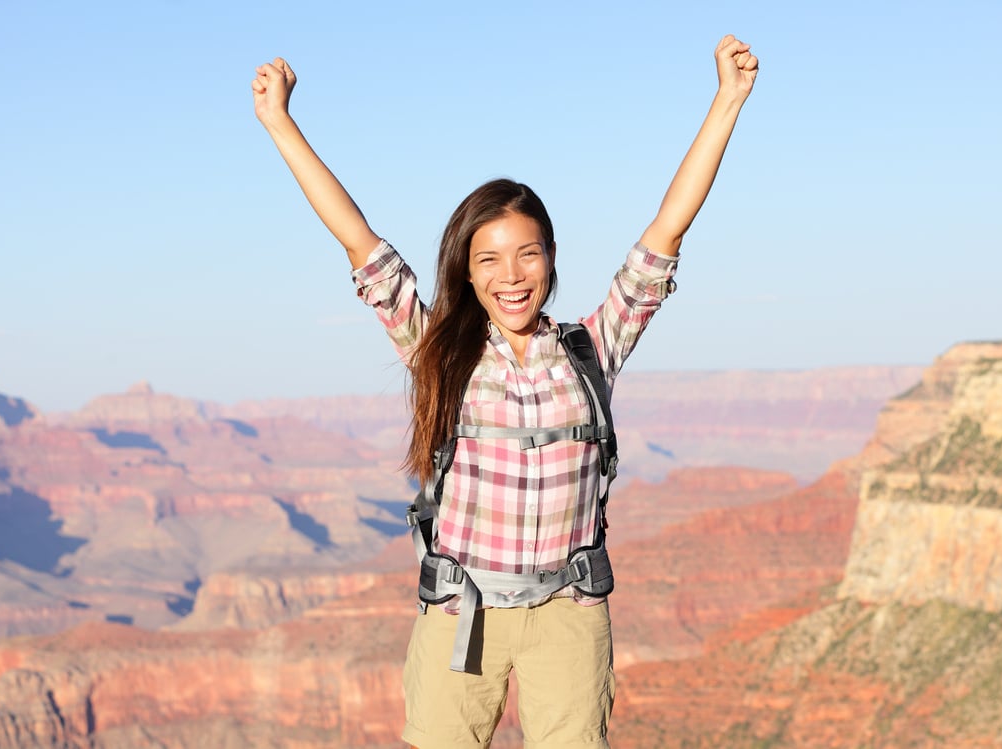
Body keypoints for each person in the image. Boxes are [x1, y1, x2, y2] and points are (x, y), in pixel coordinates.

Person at [252, 34, 757, 749]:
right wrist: (280, 122)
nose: (510, 274)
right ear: (466, 268)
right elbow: (359, 242)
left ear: (551, 257)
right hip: (464, 609)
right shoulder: (439, 353)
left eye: (527, 253)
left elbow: (665, 233)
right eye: (488, 258)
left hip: (568, 612)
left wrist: (727, 101)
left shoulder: (592, 347)